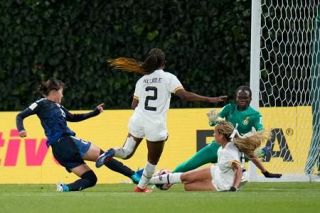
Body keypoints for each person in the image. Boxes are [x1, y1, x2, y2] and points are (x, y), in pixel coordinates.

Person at [95, 48, 227, 192]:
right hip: (155, 125)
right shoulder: (169, 78)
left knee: (126, 152)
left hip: (137, 120)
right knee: (152, 161)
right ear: (163, 63)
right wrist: (209, 99)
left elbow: (134, 105)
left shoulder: (142, 80)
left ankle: (112, 152)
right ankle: (140, 188)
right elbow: (185, 96)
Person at [16, 79, 141, 192]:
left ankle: (65, 188)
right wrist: (21, 129)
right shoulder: (41, 103)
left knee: (90, 179)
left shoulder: (59, 107)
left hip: (59, 152)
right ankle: (134, 176)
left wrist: (94, 113)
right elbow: (20, 115)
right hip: (66, 142)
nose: (62, 95)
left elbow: (73, 117)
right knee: (104, 155)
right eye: (61, 92)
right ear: (54, 92)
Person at [173, 86, 282, 178]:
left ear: (251, 99)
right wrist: (213, 119)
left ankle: (254, 165)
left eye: (245, 98)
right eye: (240, 97)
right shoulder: (229, 108)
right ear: (236, 98)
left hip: (236, 149)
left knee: (250, 152)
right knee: (189, 164)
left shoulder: (255, 115)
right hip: (217, 147)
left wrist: (254, 135)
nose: (242, 100)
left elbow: (260, 129)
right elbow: (214, 121)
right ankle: (166, 178)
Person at [148, 120, 268, 192]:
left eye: (215, 132)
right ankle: (150, 181)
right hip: (217, 171)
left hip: (222, 184)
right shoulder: (229, 145)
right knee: (185, 179)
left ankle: (151, 180)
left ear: (221, 135)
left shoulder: (228, 152)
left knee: (187, 186)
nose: (213, 134)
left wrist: (234, 187)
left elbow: (239, 170)